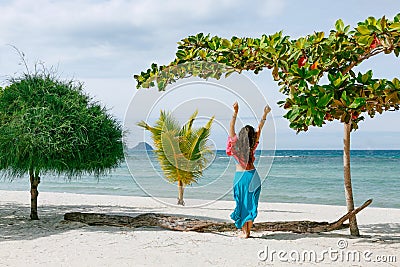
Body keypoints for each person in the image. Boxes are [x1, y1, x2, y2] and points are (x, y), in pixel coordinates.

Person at [226, 101, 271, 238]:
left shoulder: (236, 146)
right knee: (251, 204)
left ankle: (244, 232)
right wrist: (265, 114)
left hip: (240, 177)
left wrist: (235, 112)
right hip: (253, 176)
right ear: (251, 138)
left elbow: (231, 126)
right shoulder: (252, 147)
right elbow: (260, 127)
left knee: (242, 204)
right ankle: (247, 232)